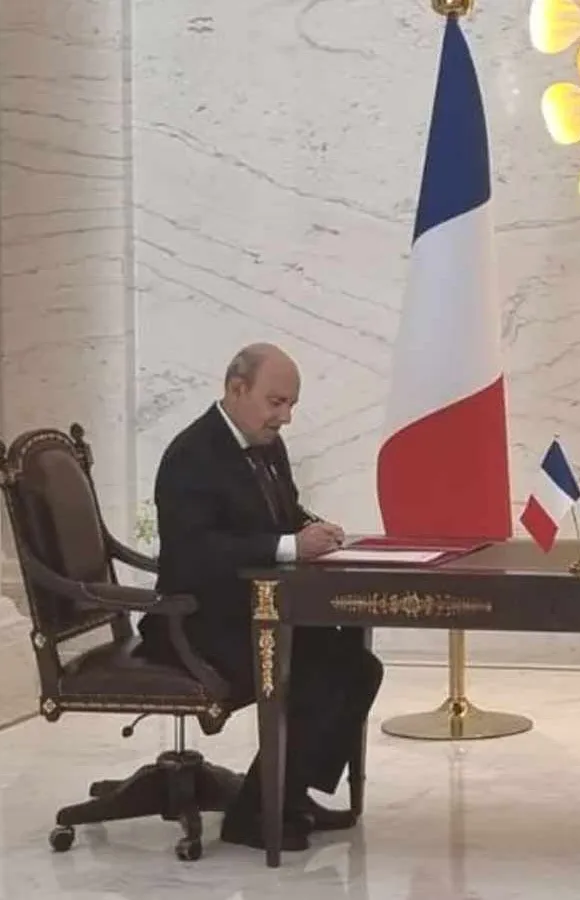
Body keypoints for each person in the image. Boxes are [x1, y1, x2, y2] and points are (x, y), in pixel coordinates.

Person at [137, 342, 384, 852]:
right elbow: (196, 554)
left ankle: (287, 795)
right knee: (321, 670)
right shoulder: (192, 455)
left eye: (291, 404)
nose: (285, 417)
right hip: (194, 624)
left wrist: (315, 529)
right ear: (236, 389)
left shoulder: (266, 444)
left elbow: (283, 513)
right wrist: (291, 546)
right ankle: (255, 816)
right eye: (276, 402)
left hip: (253, 614)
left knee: (358, 665)